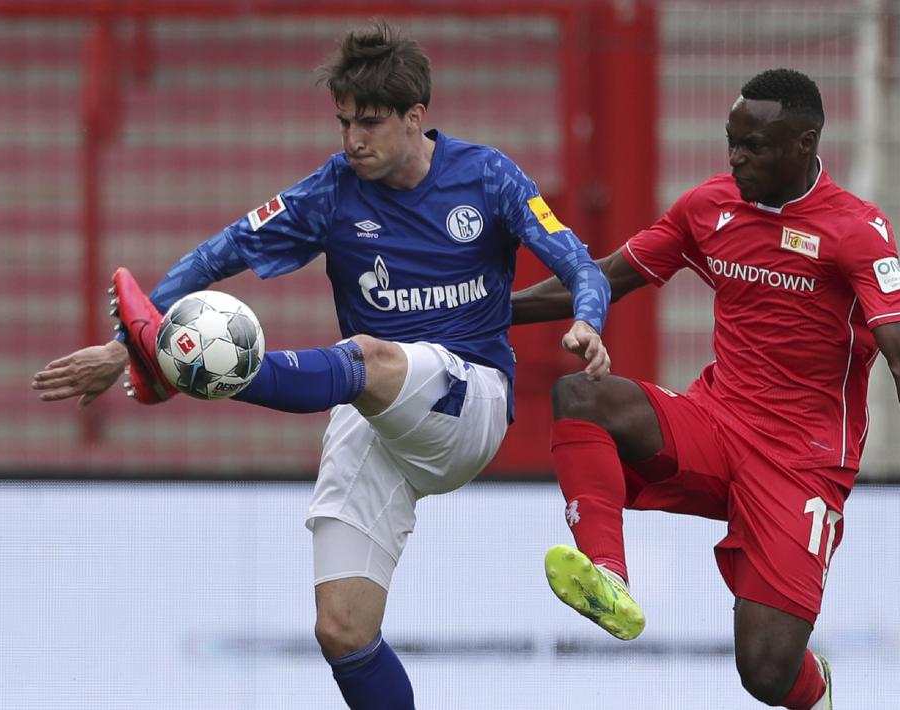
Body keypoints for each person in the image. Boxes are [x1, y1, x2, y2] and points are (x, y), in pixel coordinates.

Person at [31, 21, 611, 710]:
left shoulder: (486, 175)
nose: (353, 140)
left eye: (370, 122)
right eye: (344, 122)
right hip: (374, 415)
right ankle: (172, 360)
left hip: (469, 400)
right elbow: (218, 253)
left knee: (366, 355)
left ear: (415, 116)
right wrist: (121, 348)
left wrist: (588, 320)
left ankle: (193, 369)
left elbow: (580, 263)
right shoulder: (332, 191)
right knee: (341, 629)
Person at [510, 68, 900, 710]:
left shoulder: (855, 231)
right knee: (583, 396)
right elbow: (603, 276)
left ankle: (817, 689)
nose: (736, 158)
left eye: (754, 145)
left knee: (765, 672)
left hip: (801, 463)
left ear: (806, 143)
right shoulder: (709, 208)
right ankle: (609, 577)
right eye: (732, 142)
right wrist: (491, 310)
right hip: (716, 422)